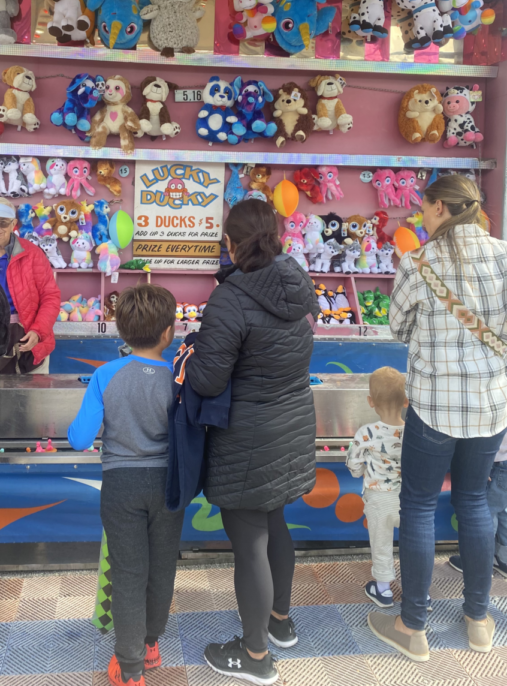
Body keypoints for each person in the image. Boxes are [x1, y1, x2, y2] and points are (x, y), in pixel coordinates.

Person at [369, 175, 507, 662]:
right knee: (474, 503)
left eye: (424, 209)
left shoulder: (418, 262)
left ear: (442, 208)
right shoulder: (505, 254)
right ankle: (478, 619)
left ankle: (412, 626)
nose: (420, 217)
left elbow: (398, 325)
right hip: (491, 409)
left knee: (420, 507)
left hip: (433, 409)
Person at [185, 198, 319, 685]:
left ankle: (256, 654)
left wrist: (189, 356)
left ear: (231, 242)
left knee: (251, 543)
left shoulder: (232, 297)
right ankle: (281, 623)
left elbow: (207, 379)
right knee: (275, 521)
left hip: (248, 439)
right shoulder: (295, 281)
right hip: (292, 426)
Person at [68, 284, 184, 686]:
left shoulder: (105, 375)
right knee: (161, 568)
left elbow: (80, 438)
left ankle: (130, 668)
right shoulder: (177, 378)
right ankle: (151, 644)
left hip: (120, 485)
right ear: (169, 332)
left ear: (121, 329)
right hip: (169, 486)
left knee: (129, 572)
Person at [347, 367, 408, 607]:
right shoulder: (414, 431)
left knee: (381, 543)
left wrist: (359, 472)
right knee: (413, 543)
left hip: (379, 499)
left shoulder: (366, 433)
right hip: (408, 499)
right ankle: (418, 591)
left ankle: (383, 590)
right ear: (406, 400)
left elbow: (353, 462)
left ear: (370, 402)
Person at [0, 198, 60, 374]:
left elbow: (50, 296)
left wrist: (38, 331)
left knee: (32, 398)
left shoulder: (33, 254)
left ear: (13, 225)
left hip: (28, 337)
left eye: (2, 222)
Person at [448, 430, 507, 578]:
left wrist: (482, 465)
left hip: (493, 464)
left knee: (485, 513)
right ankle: (503, 559)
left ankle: (478, 562)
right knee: (502, 511)